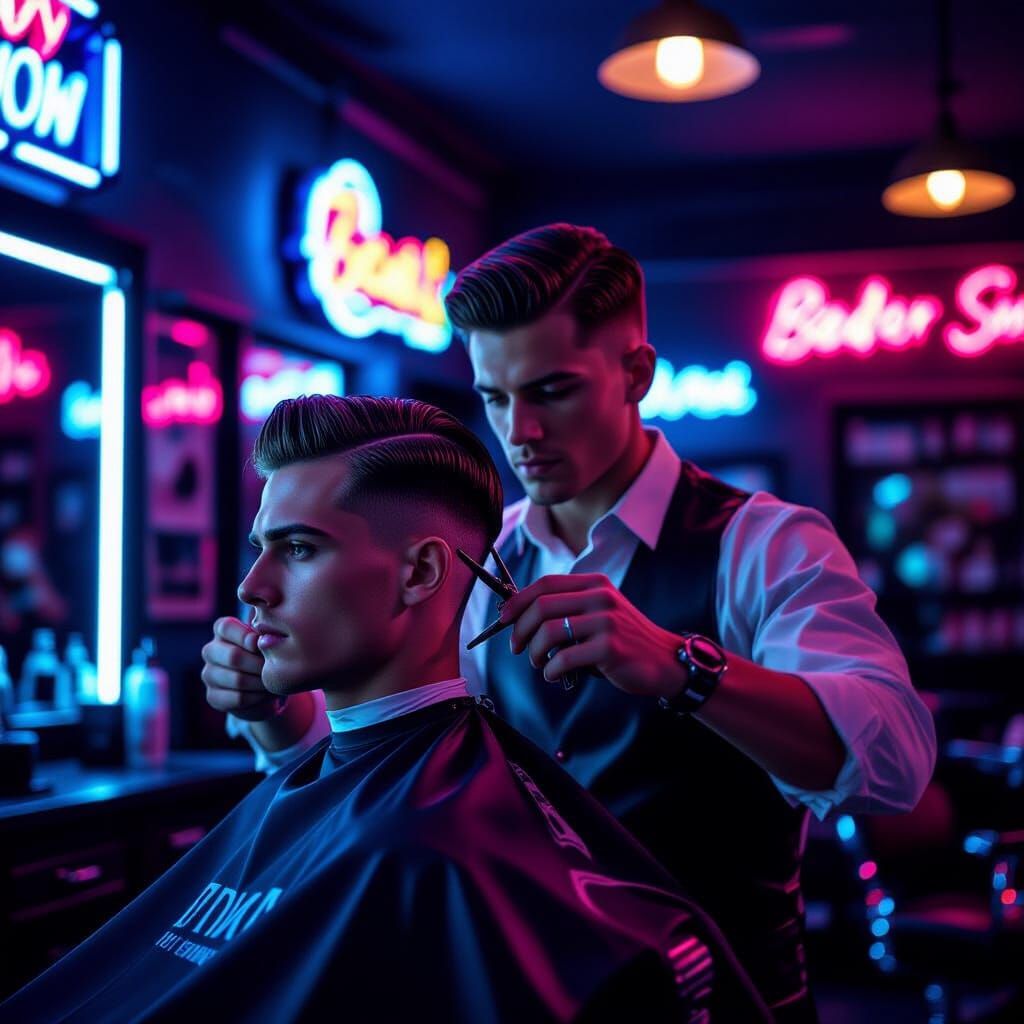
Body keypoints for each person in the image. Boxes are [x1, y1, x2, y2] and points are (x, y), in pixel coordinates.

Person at [207, 226, 937, 1022]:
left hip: (729, 1004)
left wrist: (681, 668)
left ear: (636, 374)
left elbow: (894, 765)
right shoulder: (475, 558)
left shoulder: (762, 544)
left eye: (551, 390)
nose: (519, 432)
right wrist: (275, 717)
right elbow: (391, 784)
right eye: (494, 397)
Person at [2, 395, 769, 1024]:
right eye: (260, 546)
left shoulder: (430, 851)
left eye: (298, 549)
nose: (252, 585)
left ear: (421, 573)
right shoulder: (385, 803)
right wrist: (273, 713)